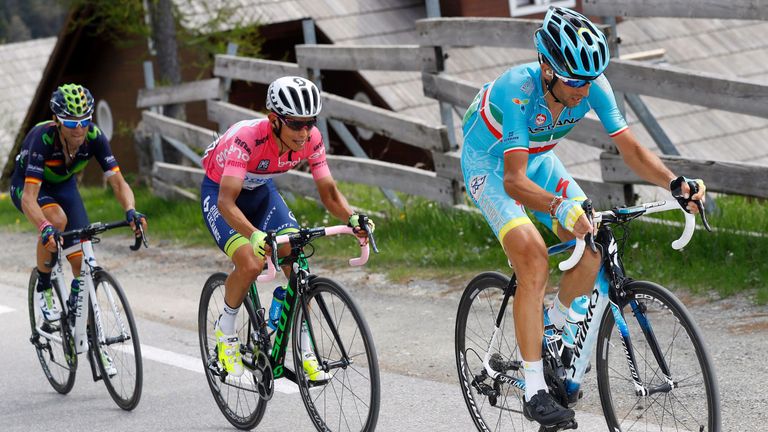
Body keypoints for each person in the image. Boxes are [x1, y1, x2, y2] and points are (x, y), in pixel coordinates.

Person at [460, 6, 706, 427]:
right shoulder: (517, 89)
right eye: (574, 80)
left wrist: (674, 183)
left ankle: (552, 327)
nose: (582, 89)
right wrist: (559, 207)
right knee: (533, 256)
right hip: (492, 167)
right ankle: (535, 389)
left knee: (592, 241)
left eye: (588, 80)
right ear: (547, 67)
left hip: (537, 161)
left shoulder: (591, 85)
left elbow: (629, 148)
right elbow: (515, 182)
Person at [200, 76, 375, 380]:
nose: (304, 132)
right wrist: (253, 235)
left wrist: (352, 217)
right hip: (221, 194)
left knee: (297, 259)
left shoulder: (313, 139)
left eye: (310, 122)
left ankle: (305, 349)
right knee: (251, 262)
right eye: (295, 124)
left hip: (262, 193)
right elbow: (227, 202)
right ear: (274, 120)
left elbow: (329, 194)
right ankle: (225, 331)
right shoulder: (248, 138)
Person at [9, 83, 148, 374]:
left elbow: (119, 183)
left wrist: (131, 211)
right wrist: (45, 227)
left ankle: (92, 340)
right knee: (56, 221)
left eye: (85, 120)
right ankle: (45, 285)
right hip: (29, 187)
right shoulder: (42, 139)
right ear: (58, 120)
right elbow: (29, 199)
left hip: (64, 186)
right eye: (72, 122)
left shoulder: (94, 137)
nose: (79, 128)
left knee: (82, 263)